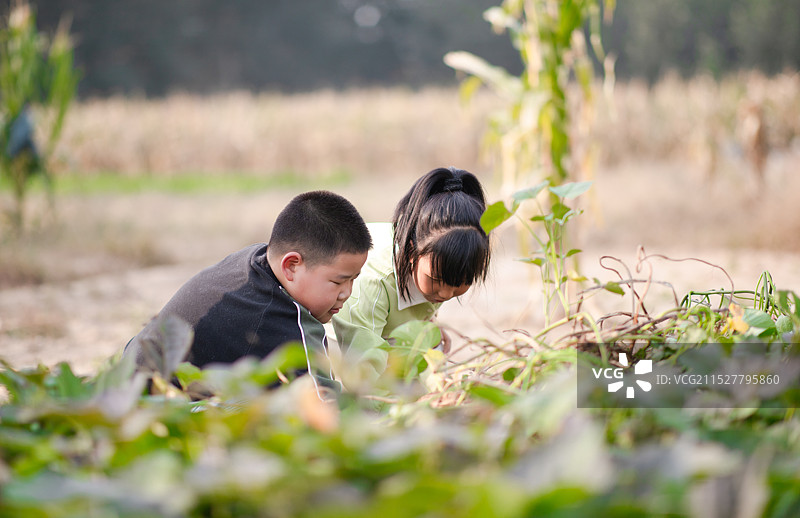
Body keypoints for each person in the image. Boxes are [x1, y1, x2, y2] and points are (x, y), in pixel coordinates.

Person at [126, 190, 372, 398]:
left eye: (353, 280)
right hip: (148, 411)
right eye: (338, 281)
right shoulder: (286, 320)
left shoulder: (254, 259)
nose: (346, 293)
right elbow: (327, 410)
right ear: (292, 266)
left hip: (122, 378)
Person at [331, 167, 491, 380]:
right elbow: (363, 374)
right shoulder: (374, 281)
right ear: (411, 250)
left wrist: (428, 325)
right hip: (334, 355)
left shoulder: (432, 265)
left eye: (461, 282)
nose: (445, 293)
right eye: (437, 280)